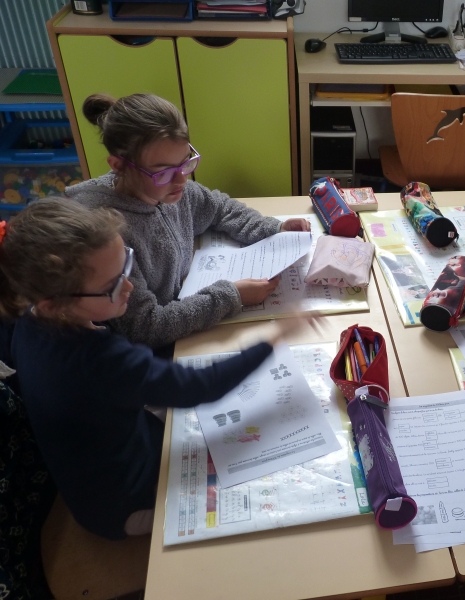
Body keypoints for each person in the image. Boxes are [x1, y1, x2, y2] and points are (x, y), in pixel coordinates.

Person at [0, 198, 311, 539]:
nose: (129, 286)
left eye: (126, 264)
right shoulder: (103, 360)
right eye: (112, 286)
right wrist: (273, 339)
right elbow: (201, 386)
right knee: (244, 505)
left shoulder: (27, 320)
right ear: (53, 303)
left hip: (98, 460)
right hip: (121, 504)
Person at [66, 93, 310, 349]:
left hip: (184, 308)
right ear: (118, 165)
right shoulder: (106, 234)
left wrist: (273, 227)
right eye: (163, 172)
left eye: (185, 163)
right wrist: (232, 296)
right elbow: (144, 326)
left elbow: (219, 207)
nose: (182, 180)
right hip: (153, 350)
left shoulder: (168, 189)